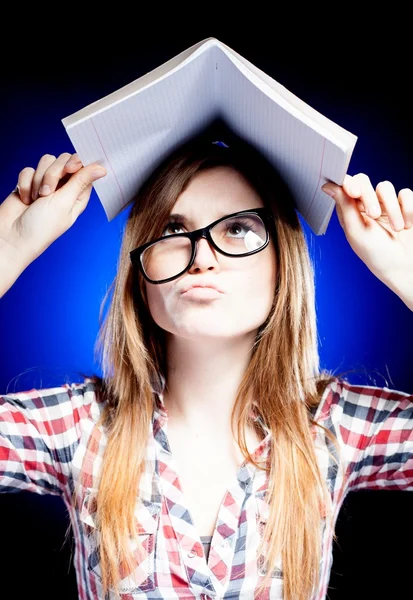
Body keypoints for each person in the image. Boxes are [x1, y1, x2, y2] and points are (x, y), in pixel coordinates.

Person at [0, 124, 412, 600]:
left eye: (238, 228)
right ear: (141, 274)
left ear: (284, 266)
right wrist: (6, 249)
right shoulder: (82, 427)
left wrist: (408, 272)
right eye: (173, 230)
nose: (201, 258)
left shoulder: (333, 426)